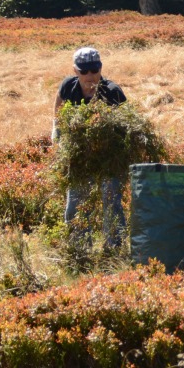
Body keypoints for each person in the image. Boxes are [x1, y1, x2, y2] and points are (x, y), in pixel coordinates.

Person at [53, 47, 128, 249]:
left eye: (94, 70)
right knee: (76, 201)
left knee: (110, 200)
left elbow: (125, 129)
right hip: (79, 156)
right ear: (75, 71)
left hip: (108, 156)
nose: (90, 76)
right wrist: (60, 145)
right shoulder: (68, 87)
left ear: (100, 68)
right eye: (84, 71)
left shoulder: (112, 92)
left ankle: (114, 248)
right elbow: (58, 117)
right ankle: (78, 248)